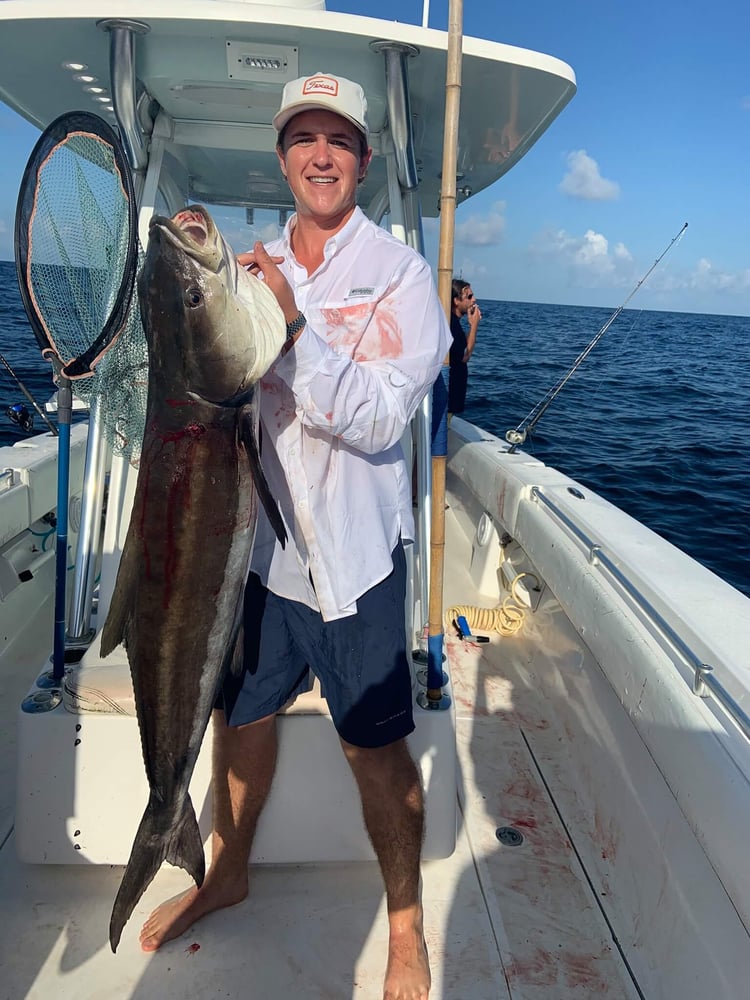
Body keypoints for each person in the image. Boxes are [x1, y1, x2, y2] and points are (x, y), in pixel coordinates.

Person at [139, 72, 451, 1000]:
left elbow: (381, 423)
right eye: (304, 140)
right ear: (282, 159)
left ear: (362, 159)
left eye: (339, 140)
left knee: (375, 749)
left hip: (356, 565)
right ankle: (226, 870)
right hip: (263, 561)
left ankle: (404, 928)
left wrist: (294, 328)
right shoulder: (251, 268)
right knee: (243, 719)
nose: (322, 156)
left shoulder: (399, 278)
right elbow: (205, 371)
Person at [447, 278, 481, 419]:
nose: (474, 299)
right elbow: (465, 355)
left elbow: (462, 347)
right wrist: (474, 325)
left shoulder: (452, 323)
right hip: (448, 399)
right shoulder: (452, 325)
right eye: (469, 297)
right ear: (456, 301)